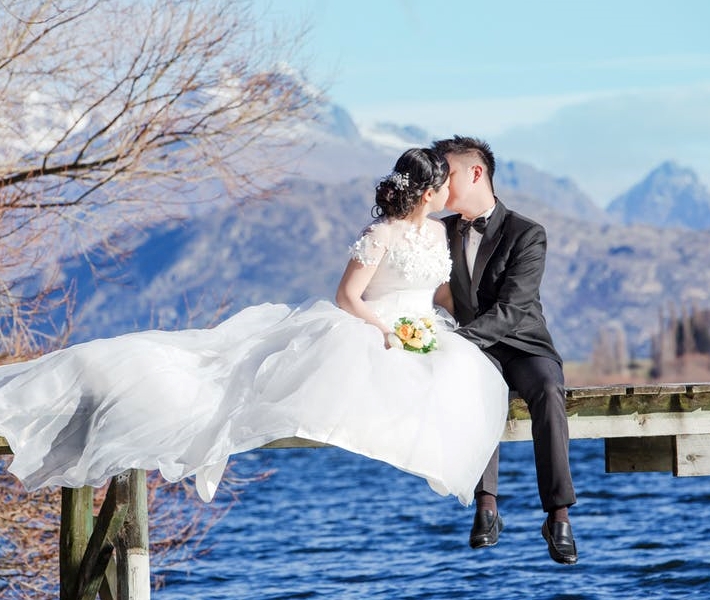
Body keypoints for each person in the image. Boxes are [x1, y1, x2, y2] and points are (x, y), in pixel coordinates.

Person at [0, 147, 508, 510]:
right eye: (443, 183)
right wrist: (386, 331)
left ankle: (476, 497)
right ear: (427, 191)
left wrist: (439, 328)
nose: (450, 190)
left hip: (425, 330)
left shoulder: (440, 232)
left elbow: (440, 292)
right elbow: (347, 297)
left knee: (461, 382)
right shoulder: (379, 234)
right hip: (371, 325)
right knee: (239, 380)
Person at [431, 136, 578, 565]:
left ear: (476, 173)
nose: (441, 184)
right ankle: (486, 507)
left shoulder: (527, 233)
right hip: (476, 350)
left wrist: (459, 340)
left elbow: (513, 309)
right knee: (474, 386)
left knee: (548, 389)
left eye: (447, 174)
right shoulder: (439, 232)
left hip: (524, 343)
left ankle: (558, 514)